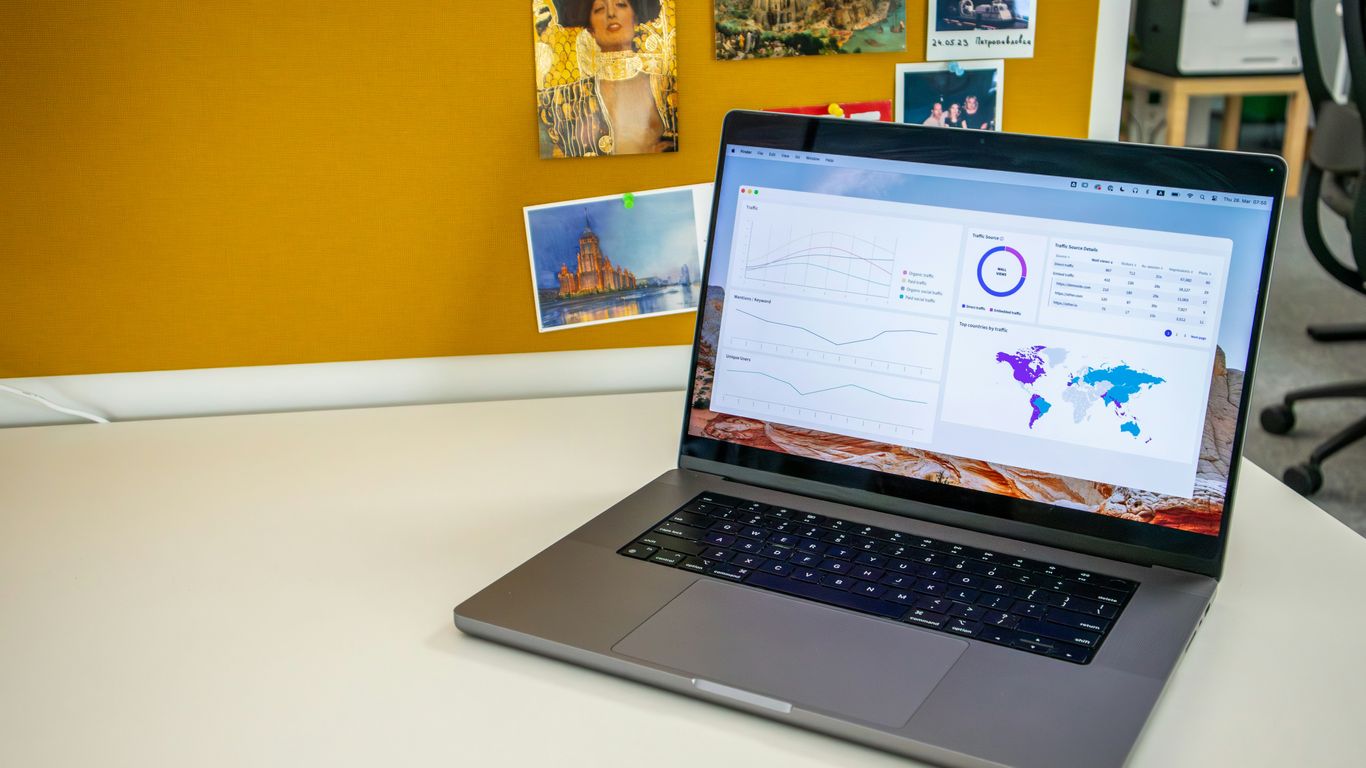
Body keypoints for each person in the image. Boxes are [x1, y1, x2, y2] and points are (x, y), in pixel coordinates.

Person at [534, 0, 678, 158]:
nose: (611, 13)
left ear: (635, 18)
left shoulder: (669, 90)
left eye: (621, 4)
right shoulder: (562, 103)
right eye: (600, 9)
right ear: (590, 29)